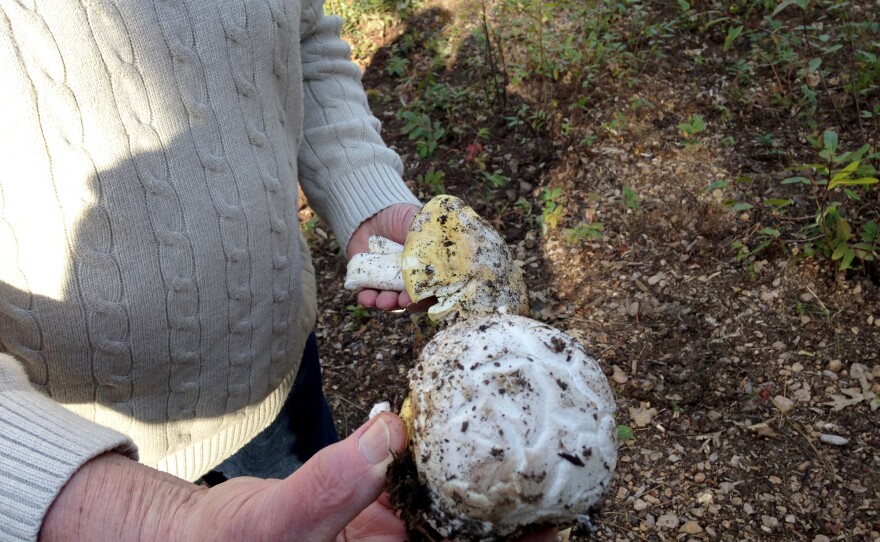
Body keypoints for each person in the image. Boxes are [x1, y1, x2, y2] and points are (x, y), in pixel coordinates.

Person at [0, 1, 556, 541]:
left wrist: (365, 194)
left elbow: (303, 42)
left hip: (275, 360)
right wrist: (146, 517)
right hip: (68, 467)